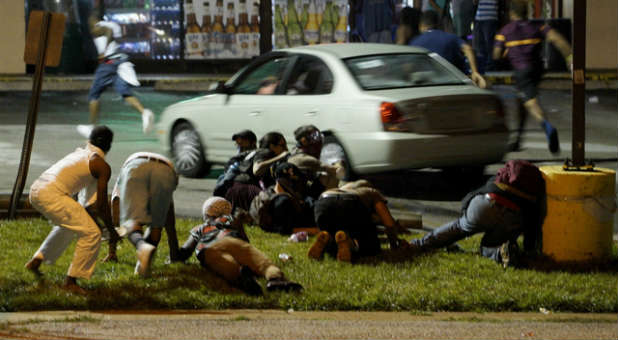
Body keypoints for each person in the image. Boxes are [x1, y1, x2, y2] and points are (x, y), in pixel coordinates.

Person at [25, 126, 117, 294]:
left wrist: (104, 227)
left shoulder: (81, 154)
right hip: (51, 194)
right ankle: (71, 282)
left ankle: (37, 260)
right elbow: (102, 206)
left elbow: (86, 207)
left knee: (71, 225)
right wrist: (111, 231)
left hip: (36, 190)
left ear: (89, 140)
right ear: (109, 146)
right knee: (92, 233)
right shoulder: (101, 165)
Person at [407, 160, 546, 267]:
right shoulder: (537, 192)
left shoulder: (500, 178)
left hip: (486, 204)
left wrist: (465, 214)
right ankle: (500, 253)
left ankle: (418, 245)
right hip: (512, 217)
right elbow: (532, 224)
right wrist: (529, 250)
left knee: (459, 227)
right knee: (489, 246)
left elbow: (475, 194)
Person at [176, 197, 303, 296]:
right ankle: (275, 279)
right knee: (262, 263)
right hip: (232, 240)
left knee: (226, 264)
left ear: (206, 214)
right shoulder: (232, 220)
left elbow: (186, 250)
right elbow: (245, 240)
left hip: (209, 248)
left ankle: (241, 277)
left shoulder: (199, 228)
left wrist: (176, 257)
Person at [493, 0, 572, 154]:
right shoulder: (538, 27)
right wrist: (570, 59)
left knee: (530, 103)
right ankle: (517, 140)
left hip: (521, 71)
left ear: (511, 14)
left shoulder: (505, 31)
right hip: (537, 69)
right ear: (527, 13)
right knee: (523, 102)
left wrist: (506, 52)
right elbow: (558, 40)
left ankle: (547, 126)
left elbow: (496, 55)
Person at [76, 8, 154, 138]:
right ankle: (144, 112)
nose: (89, 24)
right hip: (121, 60)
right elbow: (114, 34)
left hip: (109, 62)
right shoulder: (113, 25)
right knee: (124, 91)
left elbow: (108, 31)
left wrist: (103, 51)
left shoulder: (98, 27)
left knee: (94, 94)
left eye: (89, 21)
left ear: (94, 20)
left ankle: (92, 128)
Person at [112, 152, 180, 276]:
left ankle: (142, 246)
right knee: (155, 226)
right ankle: (143, 265)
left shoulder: (124, 173)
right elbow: (168, 214)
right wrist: (174, 252)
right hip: (167, 171)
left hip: (135, 166)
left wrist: (112, 251)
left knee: (131, 221)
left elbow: (116, 201)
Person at [308, 180, 409, 263]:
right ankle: (350, 243)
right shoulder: (371, 191)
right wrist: (394, 243)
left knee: (335, 234)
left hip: (323, 202)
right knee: (371, 244)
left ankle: (327, 238)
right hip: (351, 203)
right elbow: (389, 223)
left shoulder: (337, 189)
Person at [410, 10, 487, 89]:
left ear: (421, 25)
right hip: (453, 83)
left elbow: (409, 66)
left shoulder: (414, 42)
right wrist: (474, 72)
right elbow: (468, 48)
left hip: (426, 86)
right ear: (439, 24)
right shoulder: (451, 37)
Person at [249, 162, 316, 235]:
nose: (299, 185)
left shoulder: (271, 190)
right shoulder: (283, 202)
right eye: (296, 181)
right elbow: (286, 230)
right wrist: (315, 231)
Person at [287, 125, 344, 199]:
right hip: (305, 194)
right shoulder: (306, 159)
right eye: (315, 136)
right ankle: (330, 200)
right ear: (304, 141)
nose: (320, 140)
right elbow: (335, 170)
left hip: (300, 188)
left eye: (320, 135)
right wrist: (339, 162)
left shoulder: (295, 151)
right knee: (336, 172)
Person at [213, 129, 261, 212]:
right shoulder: (237, 158)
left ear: (253, 142)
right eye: (238, 142)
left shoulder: (258, 155)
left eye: (242, 141)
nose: (239, 144)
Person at [473, 0, 501, 73]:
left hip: (489, 17)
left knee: (489, 43)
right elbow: (475, 2)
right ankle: (484, 65)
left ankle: (490, 65)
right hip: (480, 17)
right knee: (480, 43)